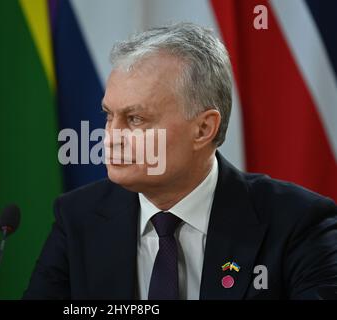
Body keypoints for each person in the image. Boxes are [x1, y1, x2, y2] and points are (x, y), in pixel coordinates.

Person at [23, 22, 337, 300]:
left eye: (135, 119)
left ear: (203, 128)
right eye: (108, 115)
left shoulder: (297, 223)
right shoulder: (78, 218)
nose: (110, 137)